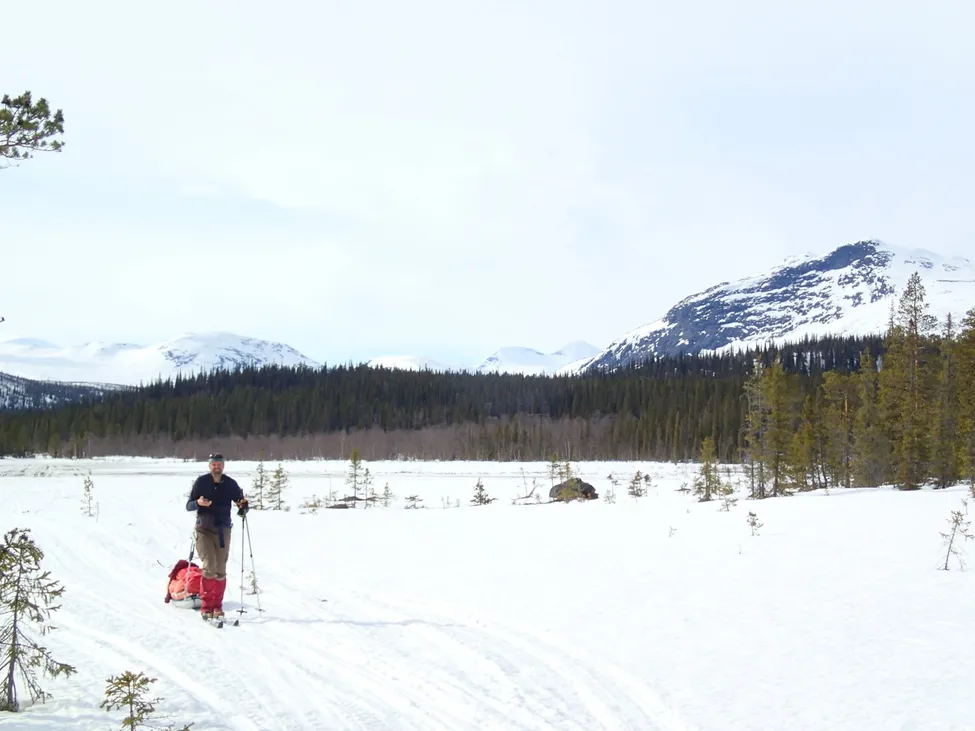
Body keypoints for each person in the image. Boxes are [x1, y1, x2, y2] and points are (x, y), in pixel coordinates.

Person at [186, 453, 249, 619]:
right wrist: (198, 503)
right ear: (209, 466)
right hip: (204, 529)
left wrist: (243, 506)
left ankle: (217, 606)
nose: (216, 466)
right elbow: (189, 505)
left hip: (223, 529)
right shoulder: (201, 482)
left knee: (220, 568)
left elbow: (241, 504)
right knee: (209, 565)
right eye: (214, 464)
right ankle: (206, 607)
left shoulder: (230, 484)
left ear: (223, 466)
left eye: (219, 464)